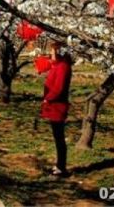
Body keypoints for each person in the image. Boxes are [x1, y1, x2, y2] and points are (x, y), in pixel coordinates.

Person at [40, 40, 73, 177]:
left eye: (52, 52)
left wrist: (49, 98)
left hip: (57, 106)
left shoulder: (63, 67)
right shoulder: (58, 66)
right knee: (57, 136)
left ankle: (61, 167)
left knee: (59, 137)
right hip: (54, 106)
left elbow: (59, 88)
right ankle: (59, 165)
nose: (50, 54)